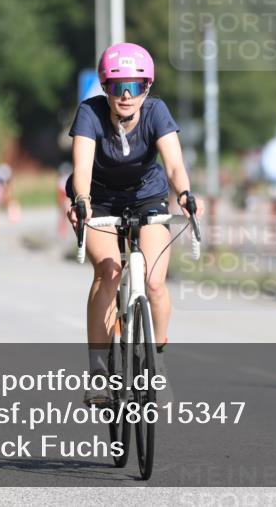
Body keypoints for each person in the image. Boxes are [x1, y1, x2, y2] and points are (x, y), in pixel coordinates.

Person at [65, 42, 203, 405]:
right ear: (105, 88)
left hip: (147, 196)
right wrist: (81, 201)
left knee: (155, 283)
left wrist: (186, 194)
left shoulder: (157, 112)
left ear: (148, 88)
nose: (126, 96)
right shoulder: (90, 113)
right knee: (108, 273)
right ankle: (98, 371)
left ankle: (157, 361)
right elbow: (80, 169)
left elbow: (173, 165)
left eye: (135, 87)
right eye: (116, 86)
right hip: (99, 199)